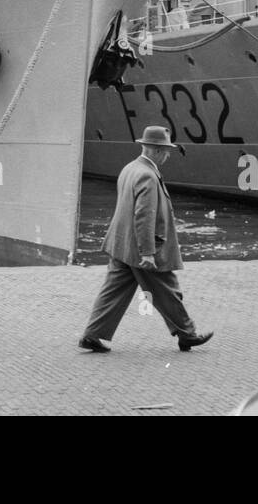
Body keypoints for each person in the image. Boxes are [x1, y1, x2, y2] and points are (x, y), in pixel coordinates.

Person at [79, 125, 213, 353]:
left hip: (121, 244)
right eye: (165, 150)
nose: (168, 155)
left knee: (113, 291)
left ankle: (92, 335)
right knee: (167, 289)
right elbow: (144, 216)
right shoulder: (148, 175)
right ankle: (187, 334)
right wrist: (147, 252)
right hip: (140, 248)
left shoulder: (130, 168)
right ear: (154, 150)